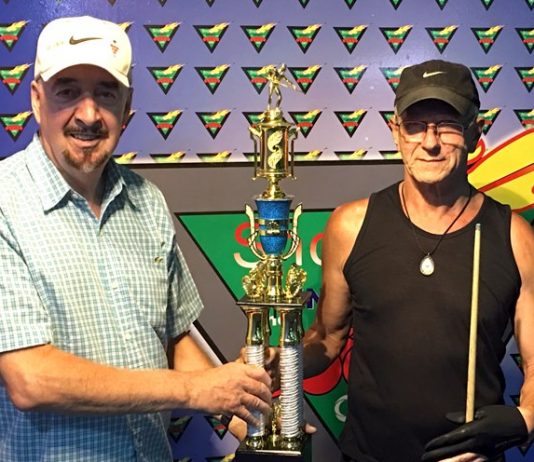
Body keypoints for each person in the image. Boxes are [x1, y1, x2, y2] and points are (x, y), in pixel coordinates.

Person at [0, 16, 271, 461]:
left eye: (106, 93)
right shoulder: (5, 203)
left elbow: (176, 337)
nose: (88, 115)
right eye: (68, 91)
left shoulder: (147, 201)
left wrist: (240, 408)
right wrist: (193, 390)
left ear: (127, 107)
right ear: (36, 98)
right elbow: (31, 378)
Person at [303, 59, 534, 462]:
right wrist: (274, 365)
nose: (430, 142)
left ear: (475, 132)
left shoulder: (515, 237)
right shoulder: (350, 225)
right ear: (396, 132)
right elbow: (328, 337)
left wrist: (526, 418)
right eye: (415, 125)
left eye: (447, 125)